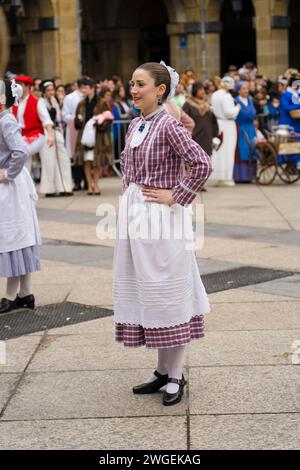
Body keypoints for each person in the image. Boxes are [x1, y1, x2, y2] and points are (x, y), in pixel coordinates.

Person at [112, 61, 212, 407]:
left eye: (140, 84)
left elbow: (201, 163)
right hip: (138, 220)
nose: (133, 89)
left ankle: (176, 373)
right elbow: (129, 170)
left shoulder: (169, 125)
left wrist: (176, 195)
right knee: (149, 294)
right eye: (132, 83)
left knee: (169, 293)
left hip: (164, 221)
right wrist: (130, 194)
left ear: (160, 90)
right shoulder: (136, 125)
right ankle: (161, 370)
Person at [0, 78, 41, 314]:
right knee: (19, 235)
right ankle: (26, 293)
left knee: (13, 237)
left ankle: (10, 295)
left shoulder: (6, 120)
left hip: (10, 187)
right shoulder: (4, 119)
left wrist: (7, 175)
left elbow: (20, 151)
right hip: (11, 186)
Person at [12, 74, 54, 173]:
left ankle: (23, 181)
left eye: (20, 85)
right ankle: (25, 184)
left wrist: (50, 136)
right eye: (16, 85)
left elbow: (46, 120)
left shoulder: (37, 102)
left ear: (27, 87)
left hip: (36, 135)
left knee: (21, 153)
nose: (17, 87)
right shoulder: (14, 102)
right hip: (21, 137)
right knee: (23, 160)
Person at [39, 80, 73, 196]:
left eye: (52, 89)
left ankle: (65, 188)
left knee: (63, 159)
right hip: (46, 132)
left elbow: (59, 117)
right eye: (48, 90)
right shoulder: (41, 102)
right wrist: (50, 134)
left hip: (57, 131)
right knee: (49, 161)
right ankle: (49, 189)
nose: (51, 92)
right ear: (44, 92)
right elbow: (44, 118)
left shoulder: (54, 101)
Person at [211, 76, 240, 186]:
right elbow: (229, 112)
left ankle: (219, 177)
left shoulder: (215, 94)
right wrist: (237, 108)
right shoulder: (226, 96)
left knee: (219, 151)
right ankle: (226, 177)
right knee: (228, 150)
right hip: (228, 124)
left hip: (218, 123)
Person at [183, 81, 219, 156]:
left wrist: (215, 134)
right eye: (200, 89)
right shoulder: (188, 104)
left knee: (207, 160)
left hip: (207, 138)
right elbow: (183, 121)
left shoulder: (207, 103)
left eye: (203, 89)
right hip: (195, 138)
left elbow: (213, 121)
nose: (202, 91)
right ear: (195, 91)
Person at [61, 78, 85, 191]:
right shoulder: (69, 97)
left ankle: (87, 181)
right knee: (76, 155)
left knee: (86, 155)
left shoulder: (88, 97)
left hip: (86, 130)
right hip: (74, 129)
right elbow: (64, 114)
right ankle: (77, 181)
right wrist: (75, 119)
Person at [233, 81, 257, 183]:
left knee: (252, 149)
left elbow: (253, 113)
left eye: (247, 88)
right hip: (241, 128)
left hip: (251, 128)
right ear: (238, 90)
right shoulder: (235, 101)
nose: (246, 90)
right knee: (242, 150)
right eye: (243, 88)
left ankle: (251, 175)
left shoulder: (250, 100)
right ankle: (241, 176)